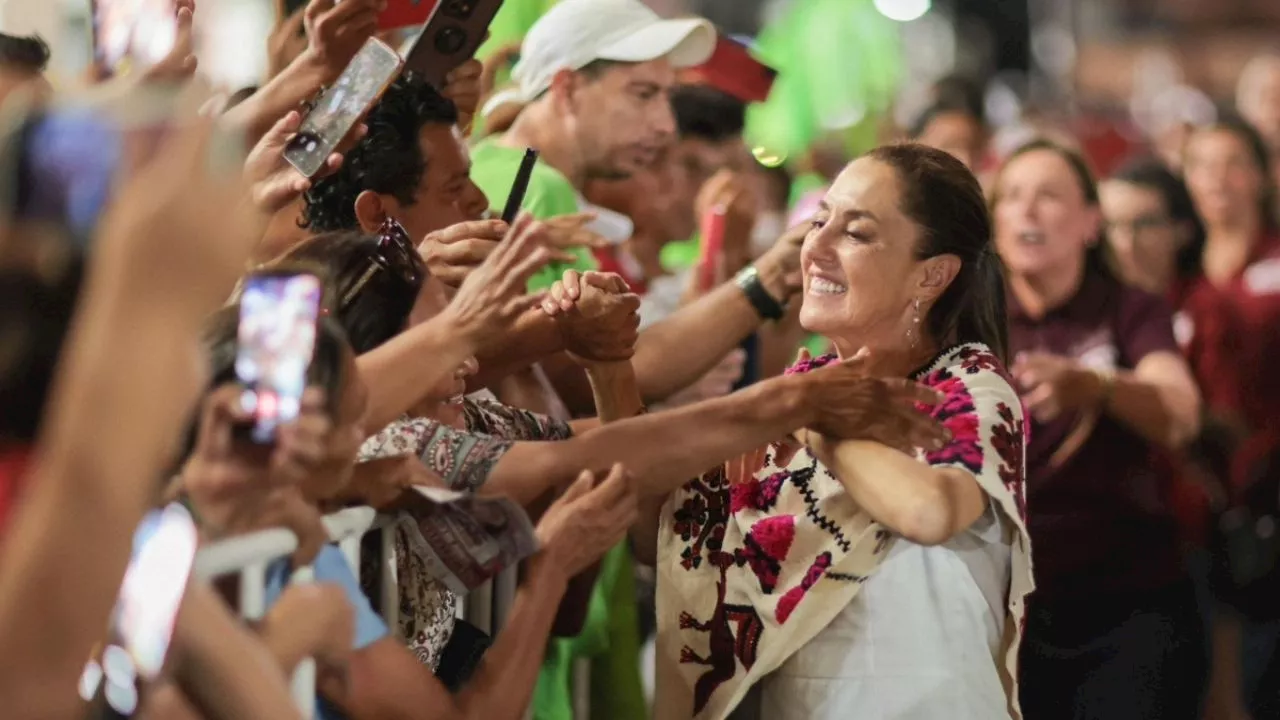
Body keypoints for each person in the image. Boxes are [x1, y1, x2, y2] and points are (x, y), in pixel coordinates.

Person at [652, 143, 1034, 720]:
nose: (817, 248)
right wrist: (608, 368)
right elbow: (663, 537)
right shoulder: (796, 392)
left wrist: (812, 420)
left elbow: (929, 512)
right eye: (818, 221)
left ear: (932, 275)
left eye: (855, 233)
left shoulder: (967, 387)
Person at [992, 139, 1206, 720]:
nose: (1026, 210)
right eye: (1011, 196)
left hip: (1125, 605)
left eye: (1048, 196)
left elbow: (1181, 414)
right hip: (1005, 610)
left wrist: (1099, 386)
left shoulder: (1129, 310)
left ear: (1091, 222)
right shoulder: (974, 316)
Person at [468, 0, 717, 292]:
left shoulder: (491, 164)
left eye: (666, 96)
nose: (666, 125)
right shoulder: (539, 189)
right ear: (568, 88)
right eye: (644, 94)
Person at [1180, 117, 1280, 719]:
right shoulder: (1173, 273)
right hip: (1191, 506)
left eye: (1234, 163)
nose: (1219, 179)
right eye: (1203, 164)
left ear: (1263, 175)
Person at [1099, 158, 1206, 299]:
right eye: (1112, 225)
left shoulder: (1206, 311)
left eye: (1145, 224)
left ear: (1182, 231)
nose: (1125, 244)